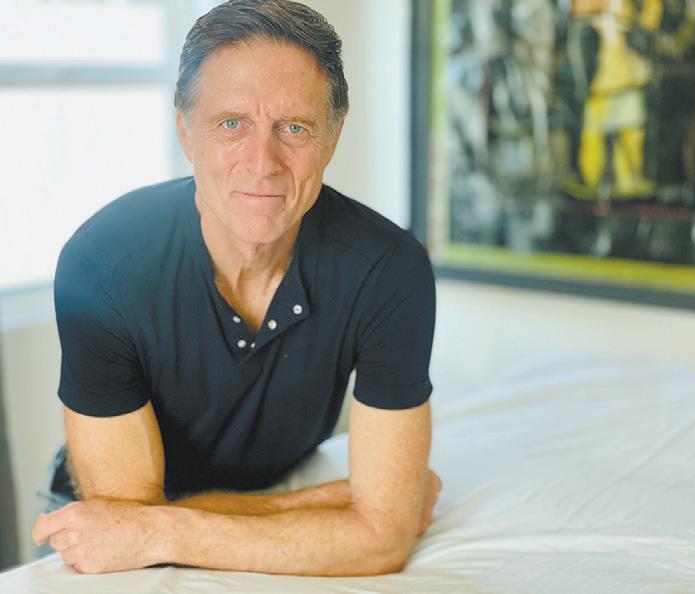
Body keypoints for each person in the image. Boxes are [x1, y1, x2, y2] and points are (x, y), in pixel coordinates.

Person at [31, 0, 441, 577]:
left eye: (293, 127)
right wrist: (330, 505)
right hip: (101, 538)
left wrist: (367, 521)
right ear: (186, 133)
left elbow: (383, 543)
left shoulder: (389, 270)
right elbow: (125, 528)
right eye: (231, 124)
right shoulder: (102, 266)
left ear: (332, 137)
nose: (262, 162)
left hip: (235, 507)